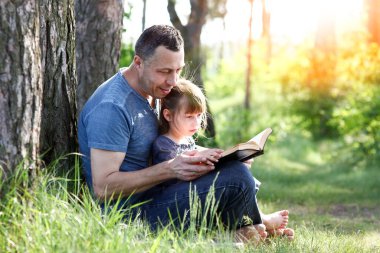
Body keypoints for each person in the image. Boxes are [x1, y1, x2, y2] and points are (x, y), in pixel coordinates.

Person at [78, 24, 293, 243]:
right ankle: (239, 231)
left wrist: (216, 156)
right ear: (138, 63)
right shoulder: (112, 107)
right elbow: (103, 187)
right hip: (133, 215)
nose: (172, 81)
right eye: (164, 72)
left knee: (234, 169)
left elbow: (172, 143)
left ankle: (241, 230)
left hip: (162, 193)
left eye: (178, 70)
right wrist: (170, 169)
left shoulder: (155, 89)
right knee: (237, 178)